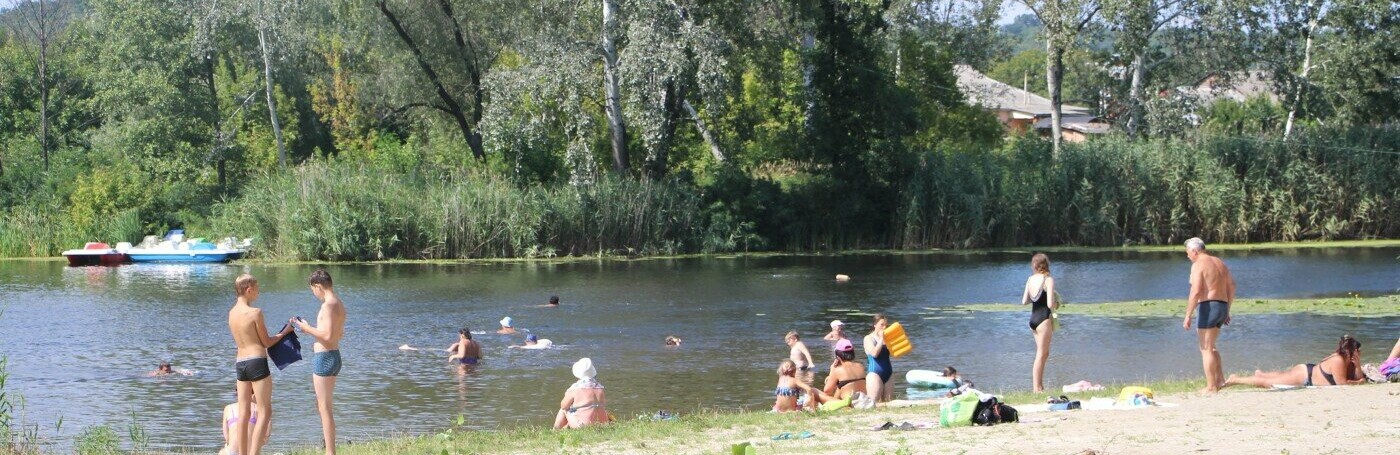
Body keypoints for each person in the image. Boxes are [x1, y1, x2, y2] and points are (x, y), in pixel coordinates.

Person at [228, 274, 293, 455]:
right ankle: (254, 453)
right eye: (257, 289)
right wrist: (286, 331)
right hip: (257, 361)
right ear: (249, 290)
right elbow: (266, 342)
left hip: (240, 363)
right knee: (265, 410)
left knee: (244, 411)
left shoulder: (231, 313)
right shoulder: (255, 313)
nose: (258, 292)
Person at [291, 268, 346, 455]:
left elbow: (328, 336)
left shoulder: (328, 306)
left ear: (318, 286)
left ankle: (330, 451)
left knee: (324, 408)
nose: (314, 294)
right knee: (323, 406)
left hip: (325, 358)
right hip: (334, 356)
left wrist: (305, 328)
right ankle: (329, 448)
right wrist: (311, 327)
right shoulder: (339, 303)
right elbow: (338, 333)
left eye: (313, 290)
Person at [1182, 237, 1236, 392]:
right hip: (1222, 305)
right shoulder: (1219, 262)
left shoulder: (1198, 264)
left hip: (1208, 306)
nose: (1187, 257)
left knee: (1205, 348)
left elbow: (1196, 290)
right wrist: (1227, 309)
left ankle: (1211, 386)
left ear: (1194, 251)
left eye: (1188, 253)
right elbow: (1231, 286)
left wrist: (1188, 315)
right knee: (1211, 346)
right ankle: (1220, 381)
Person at [1223, 335, 1366, 388]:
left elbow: (1357, 377)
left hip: (1307, 371)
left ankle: (1262, 374)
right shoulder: (1338, 361)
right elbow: (1342, 383)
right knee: (1271, 384)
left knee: (1281, 375)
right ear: (1352, 352)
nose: (1360, 354)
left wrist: (1358, 365)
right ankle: (1236, 379)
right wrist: (1359, 383)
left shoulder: (1347, 361)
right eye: (1358, 352)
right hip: (1305, 376)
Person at [1021, 253, 1058, 393]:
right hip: (1043, 319)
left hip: (1033, 319)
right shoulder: (1048, 280)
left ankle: (1040, 386)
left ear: (1035, 265)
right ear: (1045, 264)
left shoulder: (1030, 279)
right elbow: (1049, 303)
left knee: (1044, 353)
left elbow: (1024, 301)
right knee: (1041, 354)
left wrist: (1036, 298)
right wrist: (1057, 303)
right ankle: (1036, 389)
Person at [554, 358, 608, 429]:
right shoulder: (600, 388)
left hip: (584, 426)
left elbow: (563, 406)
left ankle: (555, 431)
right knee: (594, 407)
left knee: (564, 410)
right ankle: (566, 428)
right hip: (603, 424)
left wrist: (567, 393)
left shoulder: (575, 389)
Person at [864, 314, 894, 403]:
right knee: (873, 403)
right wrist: (881, 339)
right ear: (875, 325)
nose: (884, 327)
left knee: (888, 403)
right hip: (875, 373)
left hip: (889, 372)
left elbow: (894, 354)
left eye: (886, 325)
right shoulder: (868, 338)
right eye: (882, 325)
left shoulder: (887, 338)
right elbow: (874, 354)